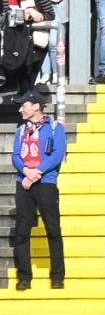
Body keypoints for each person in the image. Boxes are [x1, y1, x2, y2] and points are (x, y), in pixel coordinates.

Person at [9, 94, 66, 290]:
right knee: (22, 231)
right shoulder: (21, 130)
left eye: (23, 105)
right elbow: (15, 156)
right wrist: (26, 171)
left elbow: (57, 154)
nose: (20, 110)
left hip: (45, 183)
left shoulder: (55, 127)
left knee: (53, 229)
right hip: (24, 183)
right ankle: (24, 276)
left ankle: (57, 275)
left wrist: (36, 173)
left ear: (35, 106)